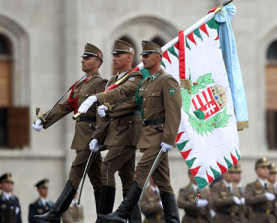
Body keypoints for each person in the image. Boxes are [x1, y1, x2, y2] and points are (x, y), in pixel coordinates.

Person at [98, 40, 182, 223]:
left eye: (146, 55)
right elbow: (133, 104)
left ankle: (121, 213)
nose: (142, 59)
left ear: (157, 58)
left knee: (141, 171)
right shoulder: (145, 83)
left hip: (159, 136)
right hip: (148, 135)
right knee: (163, 181)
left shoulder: (167, 81)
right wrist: (110, 109)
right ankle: (173, 220)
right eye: (142, 55)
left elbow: (174, 112)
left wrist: (169, 138)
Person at [31, 43, 107, 222]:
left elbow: (103, 113)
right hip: (82, 136)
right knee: (98, 179)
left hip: (91, 136)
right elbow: (65, 105)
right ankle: (103, 217)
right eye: (83, 57)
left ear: (97, 62)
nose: (82, 60)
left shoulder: (99, 83)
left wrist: (99, 137)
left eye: (87, 58)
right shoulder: (81, 83)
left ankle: (56, 212)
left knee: (76, 170)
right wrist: (44, 120)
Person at [79, 40, 143, 223]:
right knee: (127, 179)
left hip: (128, 134)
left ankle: (104, 217)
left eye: (118, 55)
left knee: (106, 167)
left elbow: (123, 93)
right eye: (113, 55)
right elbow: (105, 114)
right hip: (116, 135)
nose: (114, 58)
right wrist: (96, 137)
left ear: (129, 58)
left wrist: (96, 98)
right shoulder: (113, 80)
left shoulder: (135, 77)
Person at [245, 158, 277, 223]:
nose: (266, 170)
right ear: (256, 170)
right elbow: (248, 200)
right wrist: (264, 197)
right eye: (263, 168)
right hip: (257, 219)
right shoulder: (252, 186)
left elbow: (274, 206)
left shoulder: (271, 187)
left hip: (270, 220)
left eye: (267, 167)